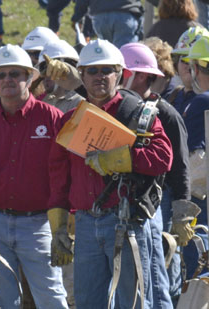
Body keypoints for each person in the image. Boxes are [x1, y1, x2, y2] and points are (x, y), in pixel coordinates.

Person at [48, 39, 173, 308]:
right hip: (84, 223)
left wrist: (122, 159)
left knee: (134, 303)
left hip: (125, 221)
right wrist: (58, 226)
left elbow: (164, 158)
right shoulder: (68, 120)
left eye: (107, 70)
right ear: (81, 75)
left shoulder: (138, 113)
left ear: (120, 74)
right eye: (92, 71)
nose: (99, 77)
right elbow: (59, 177)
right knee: (88, 303)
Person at [0, 44, 69, 308]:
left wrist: (60, 227)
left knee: (51, 298)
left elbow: (62, 177)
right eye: (1, 75)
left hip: (38, 224)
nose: (8, 80)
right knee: (3, 302)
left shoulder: (53, 119)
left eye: (15, 74)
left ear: (30, 78)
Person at [120, 42, 196, 309]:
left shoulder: (166, 114)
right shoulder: (121, 109)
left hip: (156, 205)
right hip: (127, 204)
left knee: (156, 275)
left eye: (121, 72)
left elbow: (181, 168)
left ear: (139, 75)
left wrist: (181, 213)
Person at [178, 35, 209, 279]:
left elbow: (195, 161)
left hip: (202, 202)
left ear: (195, 68)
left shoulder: (200, 103)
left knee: (199, 275)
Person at [71, 0, 144, 48]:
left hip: (100, 17)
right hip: (125, 15)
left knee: (107, 53)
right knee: (126, 53)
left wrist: (76, 18)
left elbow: (82, 2)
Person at [37, 40, 84, 113]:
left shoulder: (81, 102)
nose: (46, 76)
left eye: (52, 70)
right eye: (43, 70)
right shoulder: (44, 103)